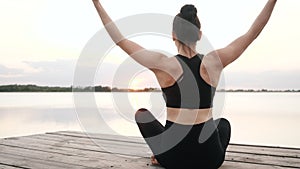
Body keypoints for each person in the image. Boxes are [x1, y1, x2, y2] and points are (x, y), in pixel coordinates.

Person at [92, 0, 277, 168]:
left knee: (142, 115)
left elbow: (120, 40)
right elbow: (252, 33)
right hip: (210, 159)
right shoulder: (215, 61)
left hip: (173, 159)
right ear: (199, 35)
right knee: (223, 124)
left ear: (173, 35)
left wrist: (97, 3)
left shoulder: (163, 64)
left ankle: (159, 154)